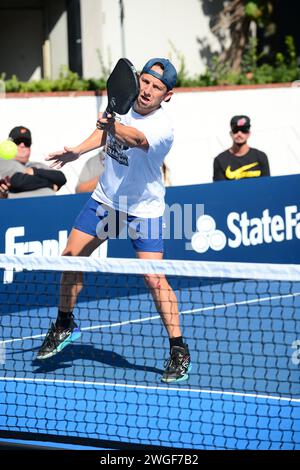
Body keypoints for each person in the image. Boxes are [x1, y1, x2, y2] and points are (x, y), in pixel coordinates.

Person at [36, 58, 191, 384]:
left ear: (168, 94)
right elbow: (104, 134)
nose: (148, 90)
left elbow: (133, 137)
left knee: (153, 279)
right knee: (70, 258)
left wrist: (111, 126)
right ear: (139, 80)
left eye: (157, 87)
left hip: (144, 209)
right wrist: (76, 151)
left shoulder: (164, 128)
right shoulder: (125, 100)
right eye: (146, 82)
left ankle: (178, 348)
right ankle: (64, 322)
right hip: (106, 200)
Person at [0, 126, 66, 198]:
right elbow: (17, 181)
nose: (22, 145)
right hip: (14, 206)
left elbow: (60, 177)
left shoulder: (36, 165)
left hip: (46, 205)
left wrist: (34, 171)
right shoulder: (4, 161)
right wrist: (50, 185)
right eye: (17, 142)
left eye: (26, 143)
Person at [213, 116, 270, 181]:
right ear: (231, 133)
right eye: (235, 130)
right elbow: (220, 189)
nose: (239, 134)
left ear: (249, 134)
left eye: (244, 130)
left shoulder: (261, 157)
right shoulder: (220, 160)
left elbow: (266, 185)